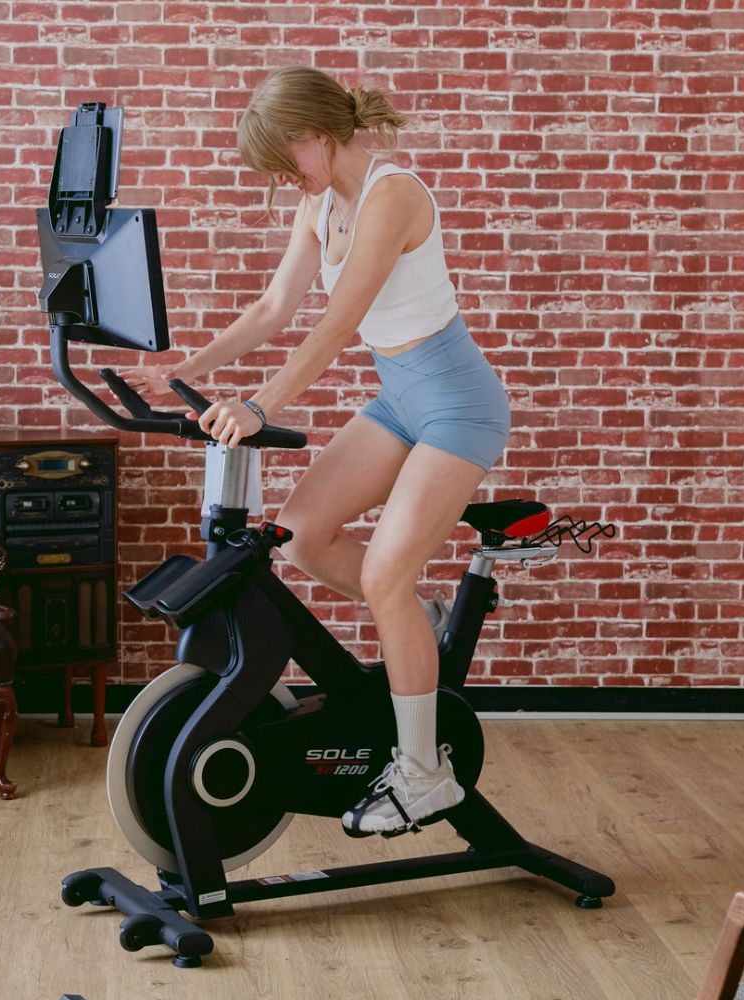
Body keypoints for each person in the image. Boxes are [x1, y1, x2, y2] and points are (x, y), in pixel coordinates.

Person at [120, 66, 511, 836]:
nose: (278, 176)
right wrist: (184, 369)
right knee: (299, 535)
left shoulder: (392, 195)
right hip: (400, 397)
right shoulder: (315, 200)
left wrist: (260, 404)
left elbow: (335, 325)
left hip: (457, 404)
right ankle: (425, 620)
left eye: (282, 156)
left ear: (315, 135)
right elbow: (274, 308)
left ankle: (426, 774)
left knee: (382, 576)